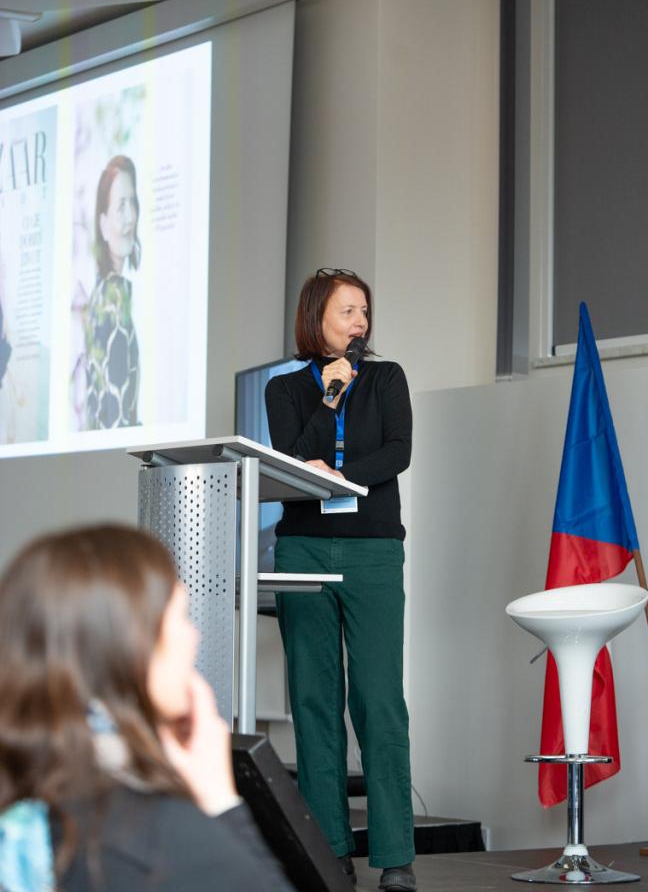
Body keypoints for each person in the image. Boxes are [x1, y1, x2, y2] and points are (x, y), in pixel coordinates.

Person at [0, 524, 295, 892]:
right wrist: (219, 798)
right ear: (130, 646)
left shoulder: (26, 795)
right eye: (180, 618)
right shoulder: (163, 840)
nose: (194, 636)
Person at [265, 268, 417, 892]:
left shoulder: (387, 378)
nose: (360, 323)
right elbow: (289, 460)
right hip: (302, 549)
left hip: (374, 551)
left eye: (364, 311)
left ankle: (396, 856)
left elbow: (398, 451)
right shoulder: (284, 388)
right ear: (316, 319)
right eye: (347, 311)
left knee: (379, 699)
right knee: (313, 701)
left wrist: (339, 476)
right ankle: (328, 851)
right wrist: (328, 397)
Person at [84, 155, 141, 429]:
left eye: (133, 202)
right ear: (103, 224)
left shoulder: (100, 294)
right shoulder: (112, 299)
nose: (130, 217)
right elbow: (116, 413)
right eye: (120, 206)